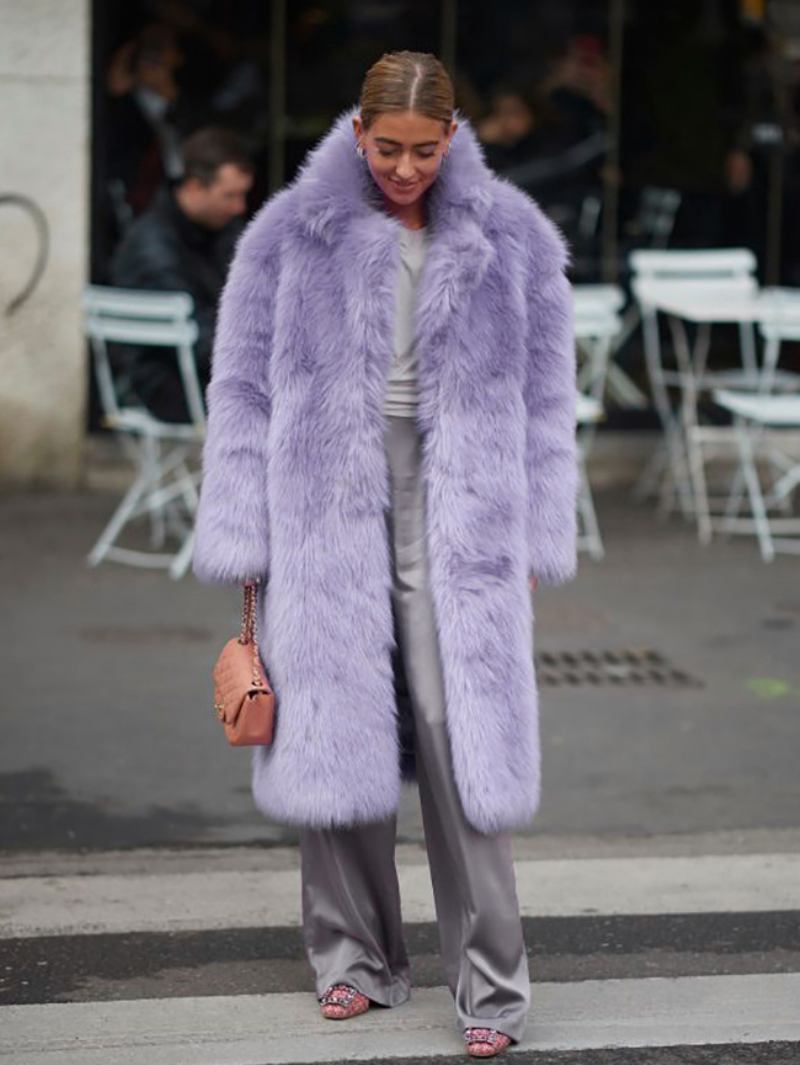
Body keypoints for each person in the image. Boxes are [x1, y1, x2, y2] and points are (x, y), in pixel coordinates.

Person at [192, 51, 577, 1059]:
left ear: (452, 138)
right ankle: (352, 959)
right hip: (323, 506)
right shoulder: (286, 235)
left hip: (459, 509)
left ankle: (491, 989)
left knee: (462, 752)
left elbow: (546, 405)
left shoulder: (514, 240)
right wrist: (243, 533)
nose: (403, 168)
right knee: (334, 736)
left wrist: (534, 531)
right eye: (386, 148)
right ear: (355, 132)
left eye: (422, 149)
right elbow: (239, 396)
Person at [110, 127, 254, 423]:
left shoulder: (223, 230)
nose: (238, 206)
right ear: (193, 188)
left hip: (212, 375)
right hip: (169, 386)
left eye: (242, 195)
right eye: (229, 195)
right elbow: (199, 338)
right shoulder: (152, 246)